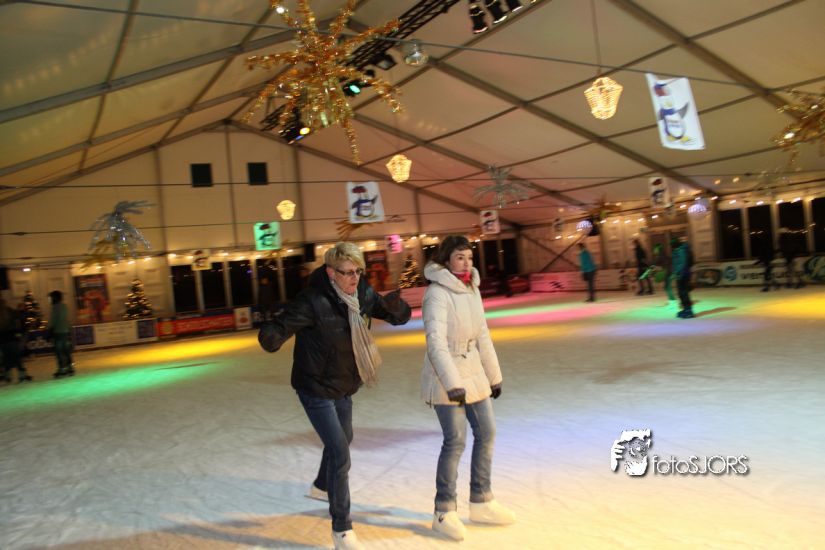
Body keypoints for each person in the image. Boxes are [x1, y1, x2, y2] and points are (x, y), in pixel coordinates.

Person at [258, 242, 411, 550]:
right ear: (330, 272)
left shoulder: (362, 293)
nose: (354, 278)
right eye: (347, 272)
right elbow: (280, 327)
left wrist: (399, 308)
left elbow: (391, 314)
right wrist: (272, 333)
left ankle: (321, 485)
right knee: (340, 452)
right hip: (314, 386)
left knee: (344, 438)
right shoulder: (312, 301)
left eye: (358, 271)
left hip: (343, 383)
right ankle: (342, 528)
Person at [420, 235, 515, 542]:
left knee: (487, 432)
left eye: (469, 257)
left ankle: (481, 501)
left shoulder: (472, 288)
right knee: (456, 441)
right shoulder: (436, 293)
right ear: (446, 260)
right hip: (445, 374)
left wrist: (494, 375)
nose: (466, 263)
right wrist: (452, 384)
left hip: (473, 369)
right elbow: (435, 343)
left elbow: (482, 334)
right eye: (460, 257)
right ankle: (443, 511)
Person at [1, 298, 32, 383]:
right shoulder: (9, 311)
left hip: (3, 338)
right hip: (11, 337)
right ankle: (22, 374)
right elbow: (18, 317)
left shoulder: (7, 311)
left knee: (7, 357)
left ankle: (8, 375)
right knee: (16, 356)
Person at [48, 290, 74, 377]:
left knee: (59, 351)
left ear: (55, 298)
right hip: (65, 331)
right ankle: (70, 367)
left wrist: (50, 330)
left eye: (51, 297)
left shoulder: (55, 307)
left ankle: (62, 369)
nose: (50, 299)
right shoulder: (64, 306)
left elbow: (53, 320)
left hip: (58, 332)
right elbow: (66, 319)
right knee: (66, 350)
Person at [671, 237, 694, 318]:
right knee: (681, 293)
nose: (671, 246)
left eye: (672, 244)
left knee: (684, 292)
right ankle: (685, 309)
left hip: (683, 274)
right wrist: (675, 273)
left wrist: (679, 273)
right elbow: (677, 263)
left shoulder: (681, 250)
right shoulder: (677, 250)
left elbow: (683, 263)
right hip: (680, 274)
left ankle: (689, 311)